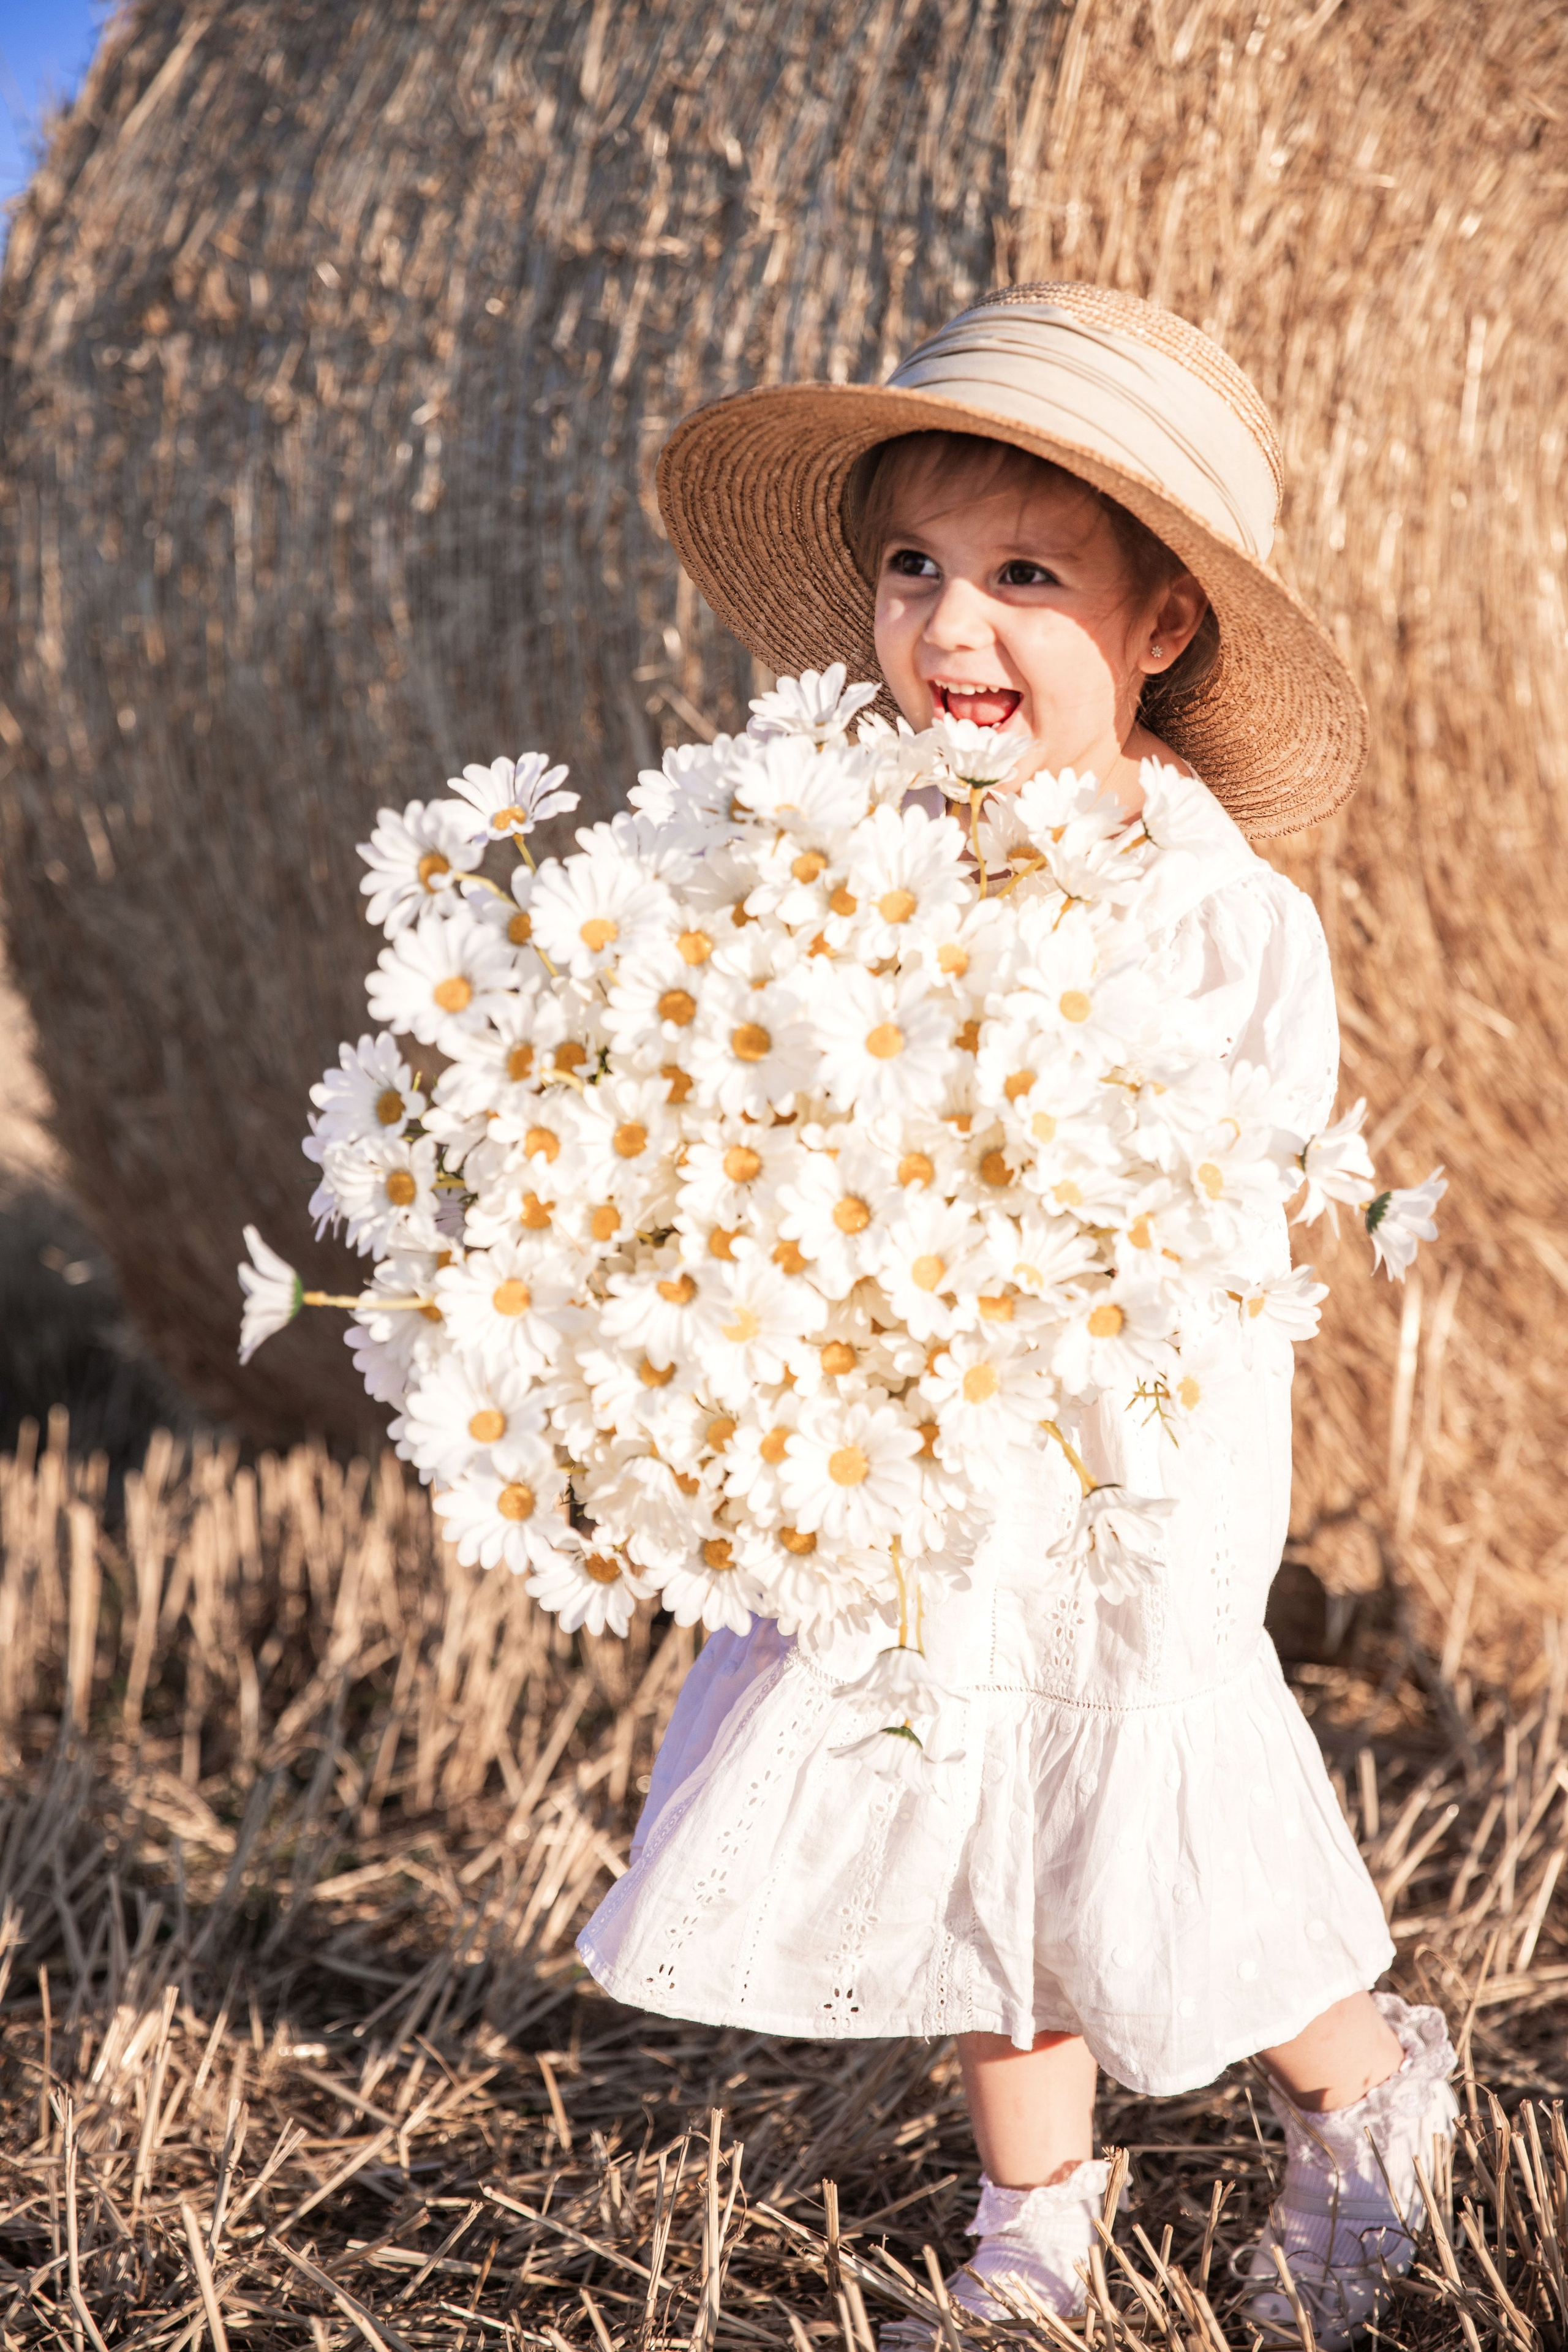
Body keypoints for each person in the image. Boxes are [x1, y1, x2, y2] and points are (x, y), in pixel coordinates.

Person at [576, 285, 1457, 2345]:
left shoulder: (1223, 913)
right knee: (972, 1838)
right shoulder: (850, 853)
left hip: (1117, 1465)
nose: (948, 626)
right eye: (913, 569)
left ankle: (1366, 2095)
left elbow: (1216, 1201)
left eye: (1025, 577)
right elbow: (774, 1109)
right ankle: (1032, 2228)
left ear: (1159, 630)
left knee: (1153, 1820)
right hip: (909, 1448)